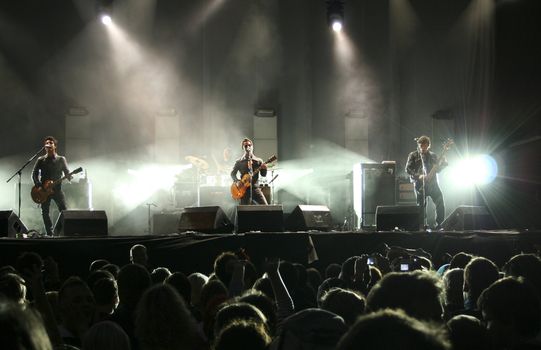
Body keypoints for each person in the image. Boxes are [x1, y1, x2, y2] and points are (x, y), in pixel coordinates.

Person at [32, 136, 72, 236]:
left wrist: (69, 176)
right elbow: (34, 173)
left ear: (55, 146)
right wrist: (38, 185)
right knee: (44, 212)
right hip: (44, 190)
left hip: (57, 190)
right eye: (47, 144)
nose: (48, 145)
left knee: (64, 211)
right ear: (45, 147)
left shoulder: (61, 159)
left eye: (51, 143)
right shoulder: (41, 160)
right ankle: (49, 233)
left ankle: (57, 231)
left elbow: (67, 172)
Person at [405, 135, 447, 229]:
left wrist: (443, 163)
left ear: (428, 145)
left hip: (433, 184)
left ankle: (440, 224)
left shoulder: (433, 156)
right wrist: (418, 176)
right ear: (418, 145)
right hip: (420, 184)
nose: (423, 148)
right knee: (421, 206)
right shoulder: (413, 155)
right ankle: (422, 225)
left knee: (440, 202)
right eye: (421, 146)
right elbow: (408, 169)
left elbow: (438, 170)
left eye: (425, 146)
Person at [230, 138, 268, 205]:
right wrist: (238, 181)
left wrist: (264, 169)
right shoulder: (239, 162)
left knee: (265, 206)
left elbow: (263, 175)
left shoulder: (258, 161)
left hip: (255, 188)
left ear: (252, 147)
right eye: (246, 146)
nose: (248, 147)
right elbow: (232, 174)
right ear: (243, 148)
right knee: (243, 210)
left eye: (250, 145)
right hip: (244, 190)